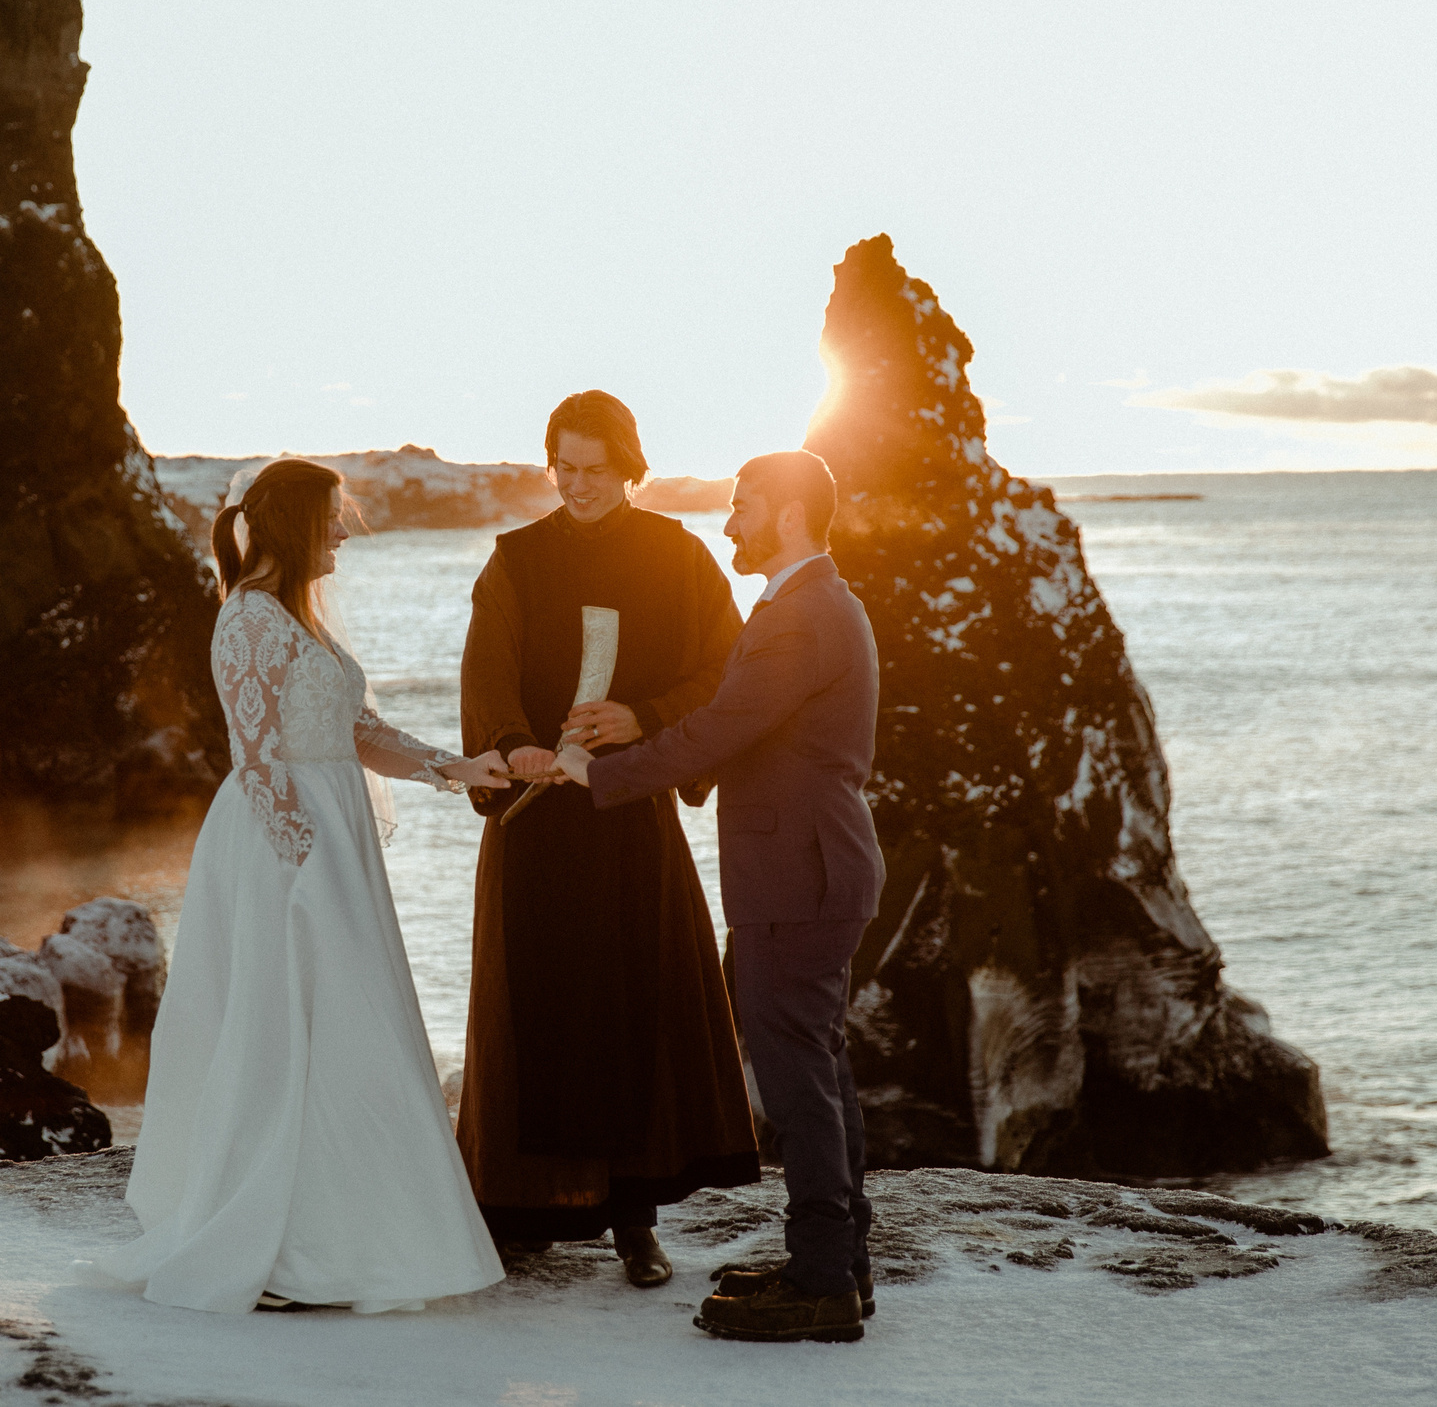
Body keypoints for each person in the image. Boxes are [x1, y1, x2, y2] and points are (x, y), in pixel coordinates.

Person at [82, 459, 513, 1314]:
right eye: (334, 519)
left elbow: (356, 730)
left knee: (349, 1028)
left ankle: (343, 1234)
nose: (347, 532)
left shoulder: (300, 620)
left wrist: (456, 768)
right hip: (285, 844)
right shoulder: (245, 619)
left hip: (333, 833)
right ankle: (276, 1247)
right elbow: (257, 754)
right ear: (293, 525)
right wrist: (302, 858)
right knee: (281, 1032)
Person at [556, 449, 884, 1343]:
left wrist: (597, 774)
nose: (729, 522)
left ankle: (822, 1282)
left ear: (785, 514)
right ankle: (840, 1263)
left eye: (743, 508)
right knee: (819, 1063)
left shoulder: (798, 615)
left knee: (798, 1079)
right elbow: (738, 730)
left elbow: (717, 729)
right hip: (814, 868)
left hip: (798, 875)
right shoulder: (808, 602)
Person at [455, 391, 760, 1289]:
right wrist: (517, 746)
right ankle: (517, 1211)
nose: (579, 484)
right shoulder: (514, 560)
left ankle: (635, 1220)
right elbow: (489, 672)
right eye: (565, 466)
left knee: (635, 1006)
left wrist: (645, 715)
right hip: (536, 824)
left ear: (631, 467)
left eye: (596, 468)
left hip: (631, 819)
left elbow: (727, 671)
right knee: (534, 1003)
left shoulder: (680, 556)